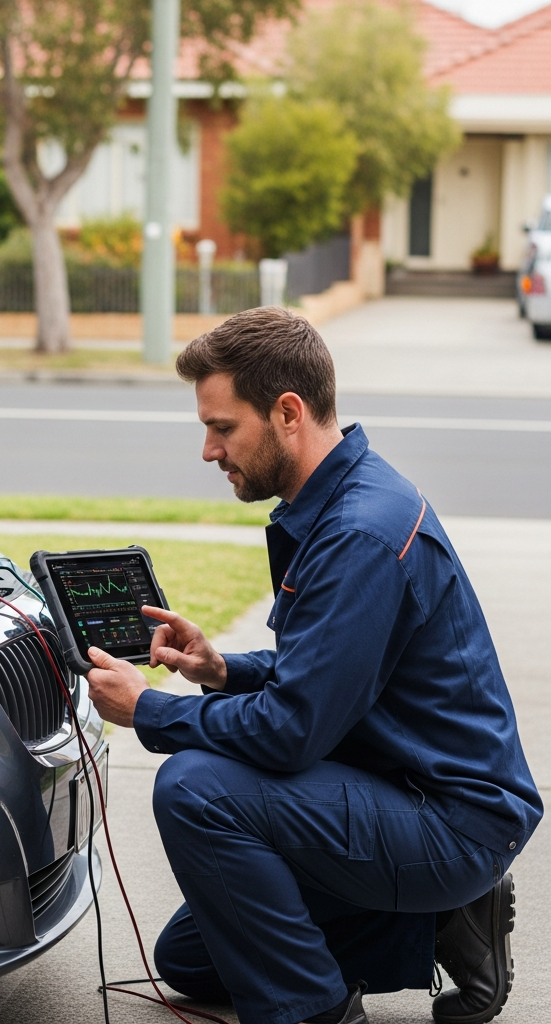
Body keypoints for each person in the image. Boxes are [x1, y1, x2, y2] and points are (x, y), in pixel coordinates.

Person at [84, 307, 541, 1024]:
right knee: (191, 962)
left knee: (196, 788)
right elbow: (331, 672)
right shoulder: (341, 500)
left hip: (447, 817)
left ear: (288, 412)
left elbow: (293, 731)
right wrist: (222, 669)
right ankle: (441, 920)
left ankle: (317, 1010)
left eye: (223, 427)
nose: (208, 449)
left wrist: (148, 709)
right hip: (397, 785)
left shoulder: (359, 532)